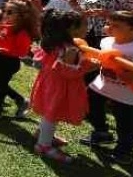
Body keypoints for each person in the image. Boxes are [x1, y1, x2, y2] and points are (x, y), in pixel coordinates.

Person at [31, 9, 94, 163]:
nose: (88, 28)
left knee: (49, 112)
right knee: (52, 114)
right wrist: (90, 66)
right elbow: (68, 72)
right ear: (71, 28)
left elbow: (40, 62)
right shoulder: (70, 49)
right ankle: (43, 145)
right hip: (60, 86)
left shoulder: (52, 43)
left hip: (48, 83)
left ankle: (43, 134)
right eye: (85, 25)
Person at [85, 11, 133, 165]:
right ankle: (101, 132)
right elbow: (100, 59)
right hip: (103, 85)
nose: (110, 28)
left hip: (131, 95)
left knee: (127, 123)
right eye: (109, 24)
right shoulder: (106, 42)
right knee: (89, 104)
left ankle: (125, 150)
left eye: (116, 26)